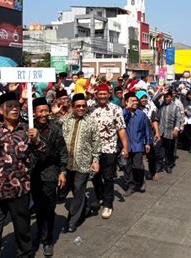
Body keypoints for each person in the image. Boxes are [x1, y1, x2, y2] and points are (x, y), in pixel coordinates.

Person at [0, 92, 46, 258]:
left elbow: (43, 155)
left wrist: (36, 140)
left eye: (17, 106)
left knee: (22, 229)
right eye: (10, 106)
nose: (15, 109)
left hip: (19, 190)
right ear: (1, 110)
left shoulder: (27, 130)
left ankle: (25, 254)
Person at [32, 97, 68, 257]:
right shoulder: (28, 128)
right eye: (40, 111)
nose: (43, 114)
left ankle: (47, 241)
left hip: (50, 173)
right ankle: (39, 233)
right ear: (34, 112)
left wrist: (62, 171)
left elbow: (62, 151)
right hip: (32, 174)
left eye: (46, 110)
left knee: (48, 207)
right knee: (37, 208)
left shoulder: (55, 128)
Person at [60, 93, 101, 232]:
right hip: (67, 163)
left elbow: (96, 142)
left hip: (83, 163)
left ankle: (72, 220)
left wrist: (95, 160)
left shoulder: (91, 121)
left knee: (78, 190)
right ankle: (87, 207)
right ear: (72, 107)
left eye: (84, 106)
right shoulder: (65, 120)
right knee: (73, 189)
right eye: (78, 106)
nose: (81, 108)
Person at [88, 84, 128, 219]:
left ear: (109, 94)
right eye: (100, 94)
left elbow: (121, 128)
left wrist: (125, 147)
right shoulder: (90, 107)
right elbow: (76, 106)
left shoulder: (115, 109)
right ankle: (100, 196)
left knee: (108, 177)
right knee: (94, 175)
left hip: (109, 148)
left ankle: (108, 204)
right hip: (93, 150)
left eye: (105, 94)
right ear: (96, 94)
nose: (102, 96)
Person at [123, 92, 151, 196]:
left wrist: (147, 142)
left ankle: (140, 181)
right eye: (132, 101)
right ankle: (130, 185)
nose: (135, 102)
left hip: (138, 144)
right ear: (126, 102)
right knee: (127, 167)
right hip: (126, 145)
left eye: (136, 100)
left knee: (138, 165)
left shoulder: (141, 114)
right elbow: (121, 122)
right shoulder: (123, 113)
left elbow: (146, 129)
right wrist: (127, 110)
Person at [153, 88, 182, 174]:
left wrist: (176, 128)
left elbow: (178, 118)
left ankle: (168, 165)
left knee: (169, 151)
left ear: (171, 97)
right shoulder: (161, 105)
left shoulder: (175, 107)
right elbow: (154, 99)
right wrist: (161, 93)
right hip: (161, 132)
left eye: (168, 97)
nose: (166, 98)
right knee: (158, 149)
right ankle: (159, 165)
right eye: (165, 97)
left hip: (170, 132)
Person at [137, 90, 161, 180]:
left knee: (151, 156)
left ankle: (153, 172)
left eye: (145, 97)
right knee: (138, 157)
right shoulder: (134, 108)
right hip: (137, 136)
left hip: (148, 135)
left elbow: (154, 120)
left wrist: (157, 132)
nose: (143, 99)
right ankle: (139, 174)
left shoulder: (150, 108)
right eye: (141, 98)